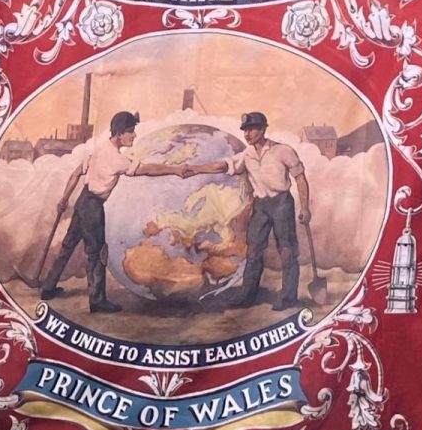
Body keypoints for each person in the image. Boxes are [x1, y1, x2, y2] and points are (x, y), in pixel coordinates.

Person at [41, 110, 186, 312]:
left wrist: (64, 199)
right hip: (92, 207)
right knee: (97, 252)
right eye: (130, 131)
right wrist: (175, 170)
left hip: (83, 201)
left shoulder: (99, 149)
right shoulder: (116, 159)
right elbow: (148, 169)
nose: (134, 135)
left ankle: (47, 289)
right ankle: (97, 301)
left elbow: (75, 174)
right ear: (119, 134)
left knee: (68, 245)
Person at [193, 111, 312, 308]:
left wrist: (305, 208)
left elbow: (300, 178)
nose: (247, 134)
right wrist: (195, 169)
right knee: (253, 250)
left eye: (251, 129)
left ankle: (288, 297)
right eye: (245, 130)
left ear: (263, 129)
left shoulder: (283, 151)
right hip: (261, 206)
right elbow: (223, 166)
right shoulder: (247, 155)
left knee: (287, 250)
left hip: (282, 203)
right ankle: (247, 295)